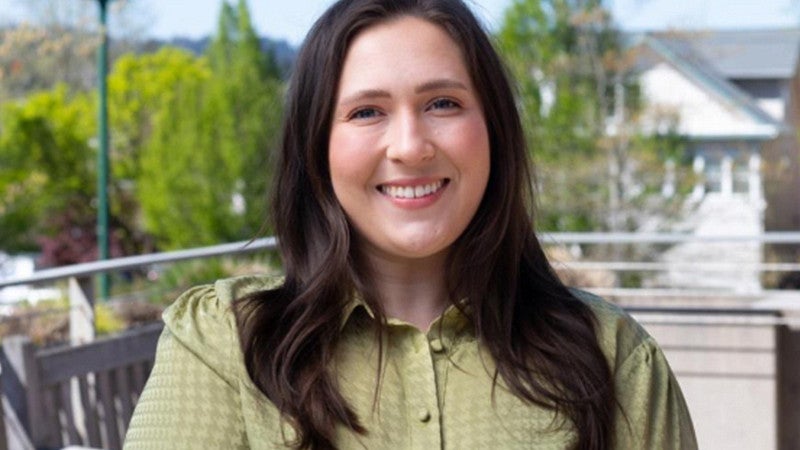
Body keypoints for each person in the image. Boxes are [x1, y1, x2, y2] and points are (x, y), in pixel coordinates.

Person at [125, 0, 697, 449]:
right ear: (316, 147)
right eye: (366, 112)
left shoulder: (614, 358)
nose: (410, 146)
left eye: (443, 103)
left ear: (494, 128)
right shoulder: (225, 346)